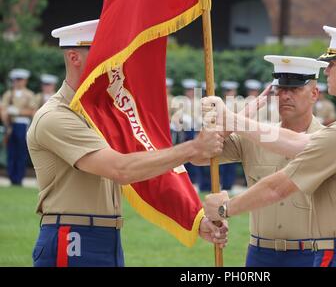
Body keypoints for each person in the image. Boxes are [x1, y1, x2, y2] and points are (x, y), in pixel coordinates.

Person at [27, 20, 227, 267]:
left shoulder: (104, 113)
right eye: (104, 53)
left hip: (107, 237)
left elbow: (144, 168)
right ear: (74, 57)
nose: (115, 62)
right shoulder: (56, 116)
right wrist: (193, 148)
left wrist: (196, 221)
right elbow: (121, 169)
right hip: (72, 237)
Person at [202, 26, 336, 267]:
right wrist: (240, 117)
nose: (327, 69)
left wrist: (225, 209)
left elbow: (277, 188)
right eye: (281, 89)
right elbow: (300, 143)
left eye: (333, 63)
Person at [196, 56, 327, 267]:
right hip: (260, 255)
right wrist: (248, 110)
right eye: (281, 89)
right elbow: (199, 154)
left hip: (310, 255)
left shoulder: (330, 140)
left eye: (294, 89)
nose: (285, 95)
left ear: (314, 94)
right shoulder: (253, 137)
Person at [1, 68, 37, 186]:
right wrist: (6, 122)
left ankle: (19, 178)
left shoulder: (29, 94)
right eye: (16, 80)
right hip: (11, 125)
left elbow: (32, 111)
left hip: (22, 124)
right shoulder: (8, 94)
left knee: (21, 153)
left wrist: (17, 111)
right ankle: (12, 178)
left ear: (25, 81)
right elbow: (3, 109)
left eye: (20, 79)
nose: (17, 82)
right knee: (11, 153)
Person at [219, 80, 245, 191]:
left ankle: (229, 185)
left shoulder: (238, 103)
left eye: (231, 91)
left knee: (233, 161)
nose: (229, 93)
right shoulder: (221, 102)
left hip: (235, 133)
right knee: (223, 161)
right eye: (227, 91)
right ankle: (225, 185)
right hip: (223, 133)